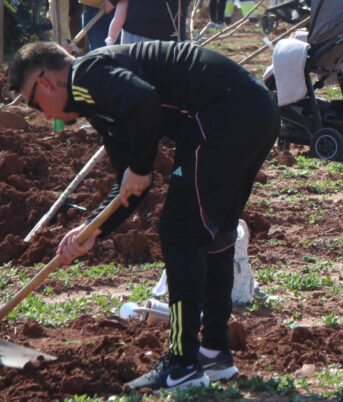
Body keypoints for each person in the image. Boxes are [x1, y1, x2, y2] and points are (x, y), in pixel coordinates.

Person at [8, 40, 279, 390]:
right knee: (215, 232)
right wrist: (92, 229)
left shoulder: (87, 75)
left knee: (179, 232)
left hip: (223, 113)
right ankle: (214, 354)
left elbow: (144, 102)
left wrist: (139, 166)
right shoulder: (100, 104)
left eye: (34, 103)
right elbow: (131, 187)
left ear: (44, 83)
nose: (45, 116)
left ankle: (182, 362)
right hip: (254, 110)